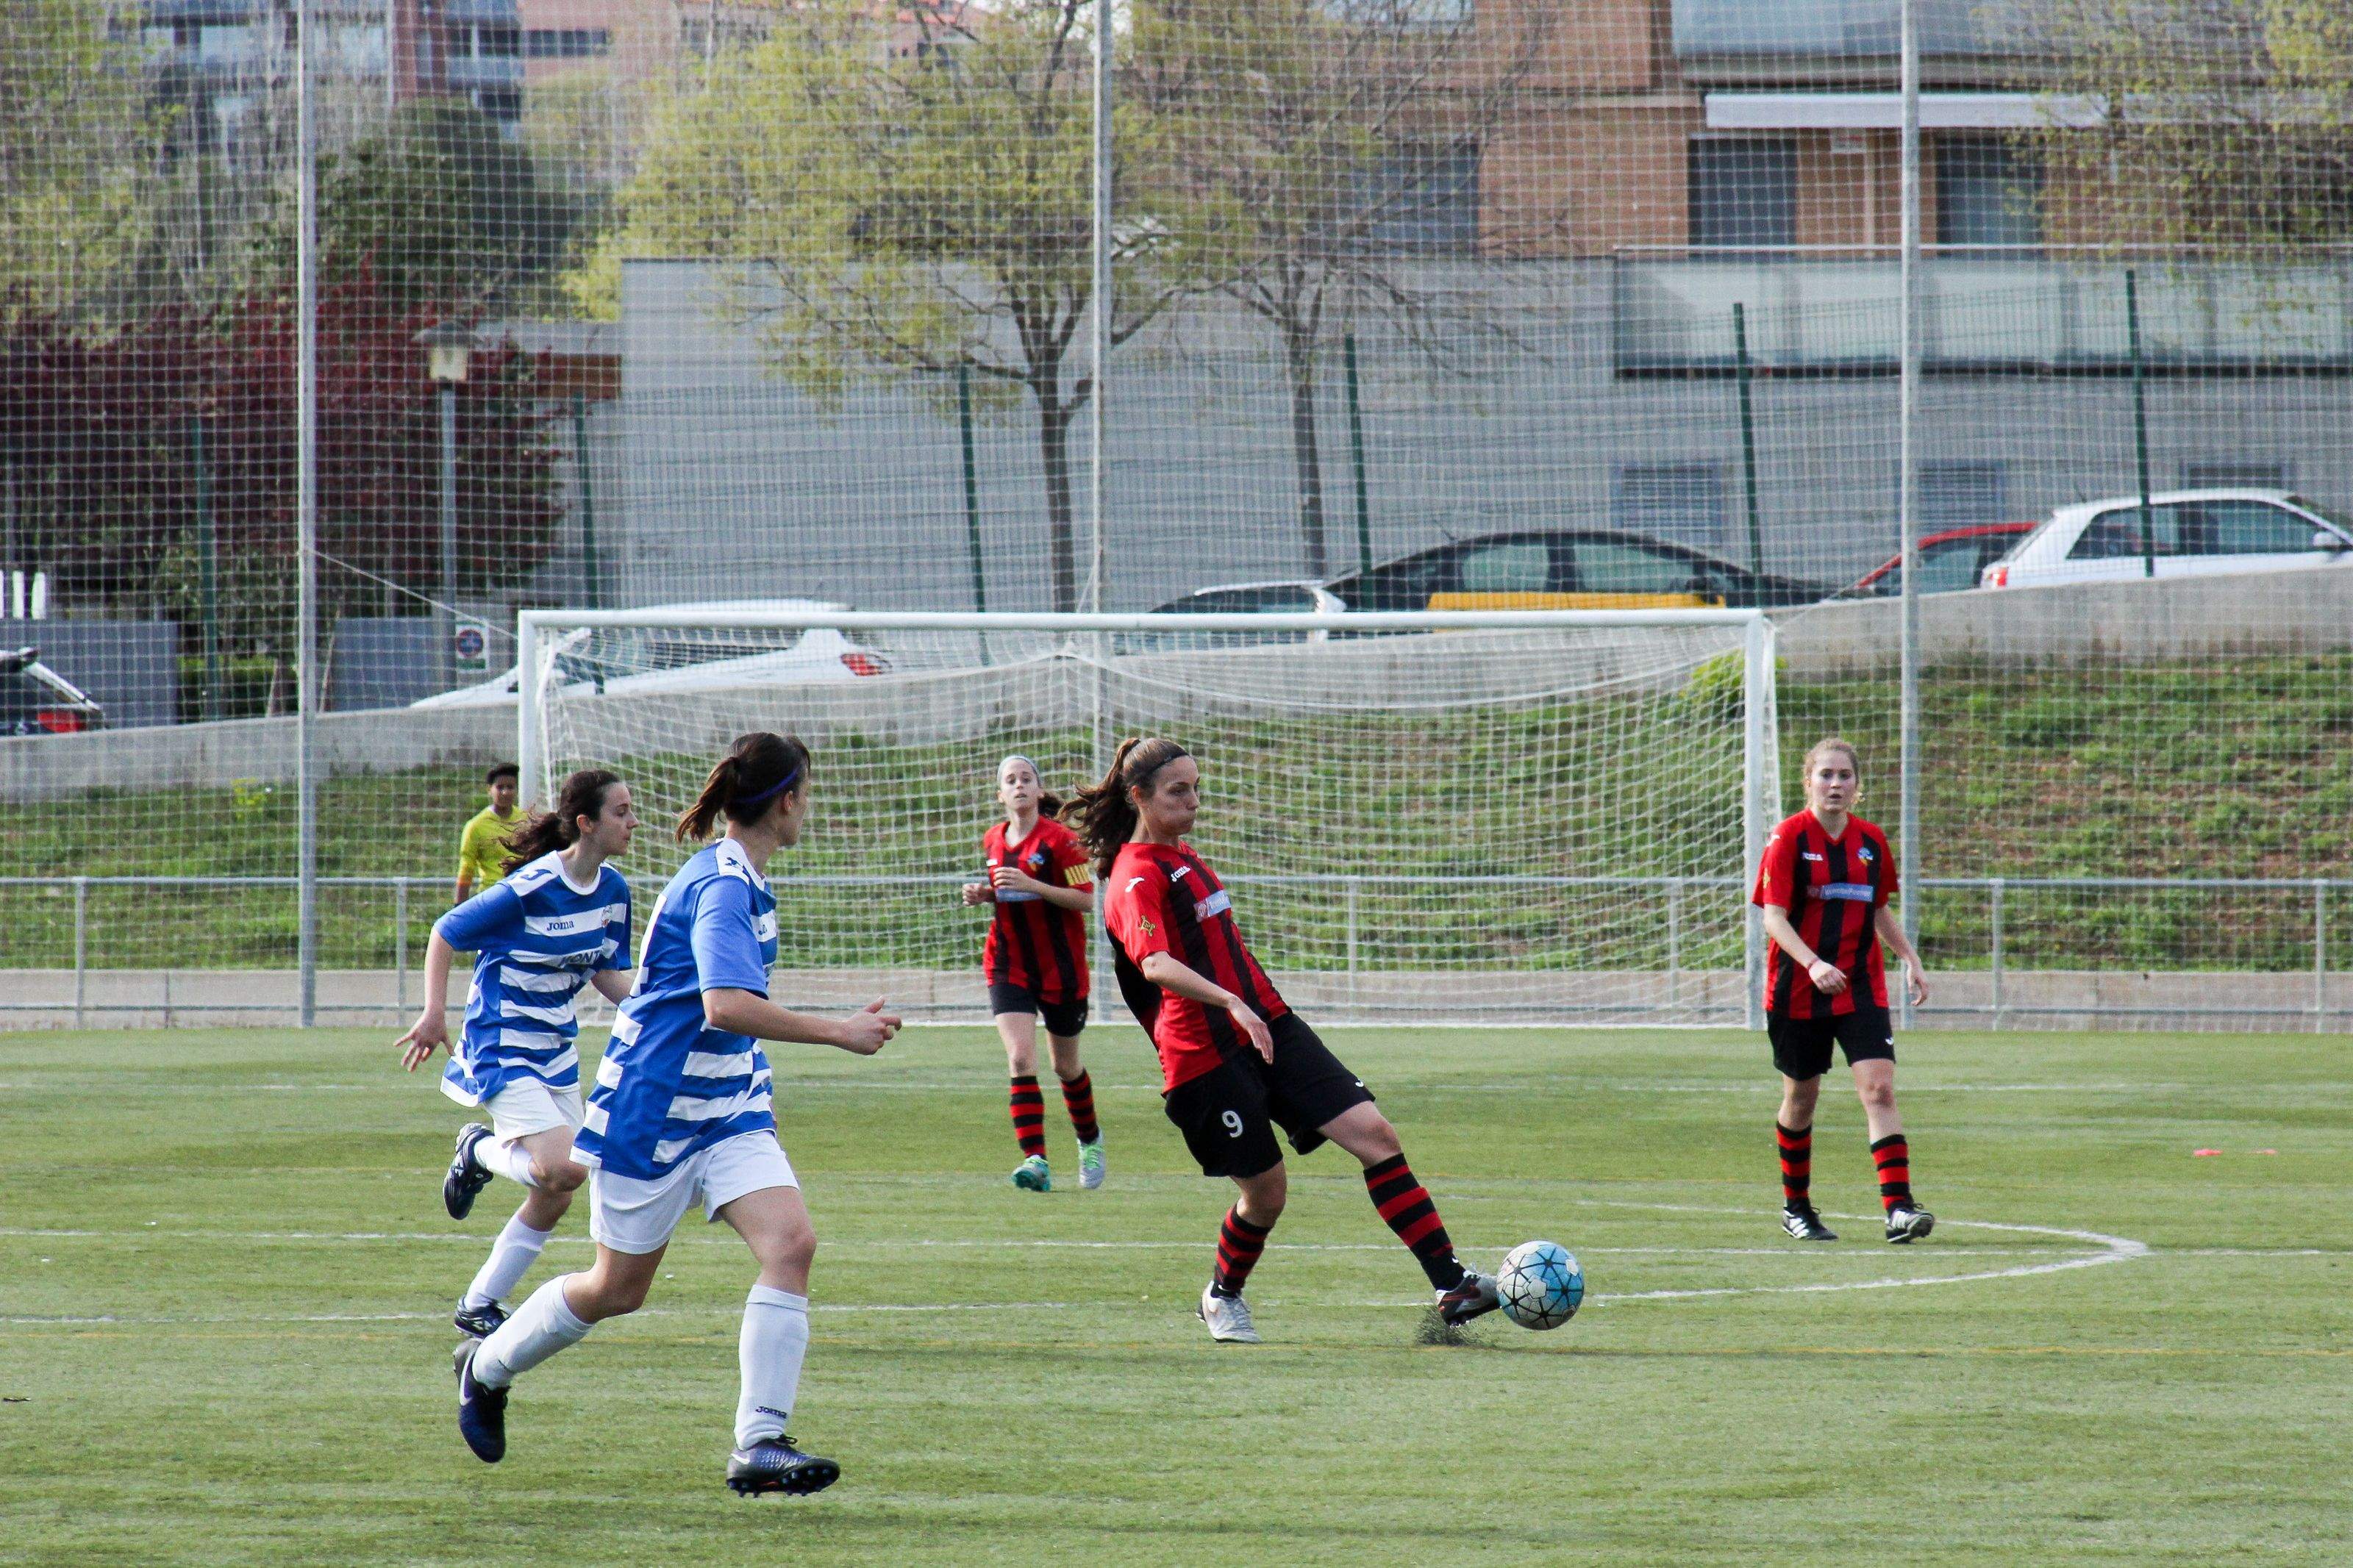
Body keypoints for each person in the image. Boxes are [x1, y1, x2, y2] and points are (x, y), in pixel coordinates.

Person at [451, 732, 901, 1498]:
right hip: (650, 1111)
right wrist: (839, 1031)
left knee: (791, 1245)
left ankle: (758, 1444)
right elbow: (723, 1005)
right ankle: (485, 1368)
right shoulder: (722, 887)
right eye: (807, 793)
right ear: (786, 800)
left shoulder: (743, 879)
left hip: (725, 1107)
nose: (809, 808)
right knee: (615, 1290)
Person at [1069, 736, 1499, 1345]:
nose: (1193, 801)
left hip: (1270, 1026)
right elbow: (1157, 965)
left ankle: (1451, 1284)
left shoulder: (1184, 857)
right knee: (1267, 1194)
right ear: (1139, 796)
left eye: (1196, 788)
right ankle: (1221, 1295)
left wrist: (1252, 1005)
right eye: (1178, 790)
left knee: (1375, 1135)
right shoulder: (1134, 875)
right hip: (1205, 1056)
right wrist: (1229, 1001)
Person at [398, 769, 639, 1339]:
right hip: (501, 1041)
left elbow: (606, 970)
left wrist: (664, 1008)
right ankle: (479, 1150)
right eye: (622, 811)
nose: (634, 822)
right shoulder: (529, 888)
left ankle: (479, 1302)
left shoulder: (614, 892)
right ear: (586, 822)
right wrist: (434, 1013)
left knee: (557, 1190)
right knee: (563, 1166)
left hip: (555, 1047)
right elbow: (445, 932)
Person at [1754, 736, 1935, 1246]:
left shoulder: (1871, 842)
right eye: (1825, 774)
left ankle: (1898, 1209)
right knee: (1801, 1097)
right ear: (1808, 781)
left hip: (1859, 987)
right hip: (1799, 989)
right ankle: (1797, 1207)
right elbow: (1773, 917)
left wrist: (1910, 957)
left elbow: (1878, 909)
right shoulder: (1788, 838)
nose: (1835, 783)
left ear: (1858, 786)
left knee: (1879, 1088)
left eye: (1844, 776)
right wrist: (1812, 964)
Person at [960, 753, 1104, 1192]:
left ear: (1039, 791)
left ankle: (1090, 1141)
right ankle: (1036, 1161)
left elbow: (1086, 899)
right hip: (1008, 963)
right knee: (1021, 1058)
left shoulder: (1062, 842)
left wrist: (1032, 884)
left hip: (1060, 970)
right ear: (1000, 794)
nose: (1019, 785)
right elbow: (1008, 896)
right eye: (1011, 779)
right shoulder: (993, 840)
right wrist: (985, 895)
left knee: (1066, 1067)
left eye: (1027, 779)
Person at [454, 762, 524, 903]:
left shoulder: (527, 821)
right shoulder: (476, 826)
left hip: (523, 895)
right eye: (500, 787)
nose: (505, 792)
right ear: (489, 790)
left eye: (510, 787)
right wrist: (458, 907)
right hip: (492, 897)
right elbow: (467, 867)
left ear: (516, 790)